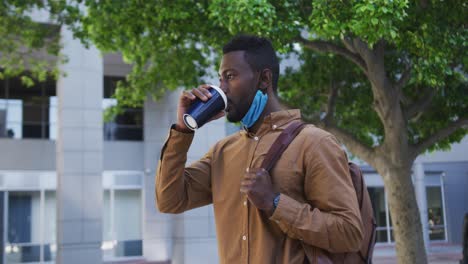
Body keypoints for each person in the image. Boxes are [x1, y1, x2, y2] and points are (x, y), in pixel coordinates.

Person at [156, 35, 363, 263]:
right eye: (220, 79)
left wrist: (275, 203)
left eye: (230, 77)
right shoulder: (223, 152)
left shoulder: (314, 143)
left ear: (264, 78)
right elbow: (169, 200)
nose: (221, 88)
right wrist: (182, 131)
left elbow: (350, 234)